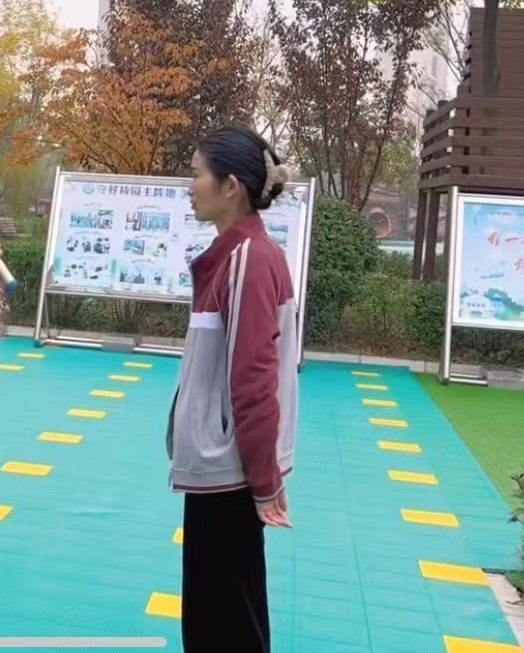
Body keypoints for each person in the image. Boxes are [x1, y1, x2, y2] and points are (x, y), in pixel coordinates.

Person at [168, 126, 298, 653]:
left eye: (197, 173)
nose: (189, 185)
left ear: (231, 187)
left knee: (221, 623)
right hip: (225, 468)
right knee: (221, 613)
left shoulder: (248, 258)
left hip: (230, 472)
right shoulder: (236, 254)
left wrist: (263, 481)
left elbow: (252, 378)